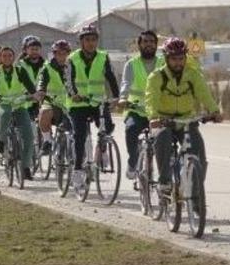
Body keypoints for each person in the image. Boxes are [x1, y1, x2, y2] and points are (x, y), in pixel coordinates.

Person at [145, 37, 222, 194]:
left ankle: (195, 195)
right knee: (163, 138)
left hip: (186, 120)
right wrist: (154, 117)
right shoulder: (156, 77)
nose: (178, 63)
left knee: (199, 154)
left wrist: (214, 111)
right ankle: (165, 181)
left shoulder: (192, 75)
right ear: (167, 59)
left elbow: (204, 94)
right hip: (163, 120)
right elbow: (150, 99)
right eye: (174, 59)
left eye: (181, 58)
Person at [65, 24, 120, 192]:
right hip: (78, 103)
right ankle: (77, 171)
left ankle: (101, 151)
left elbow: (111, 77)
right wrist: (73, 94)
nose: (91, 43)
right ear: (81, 41)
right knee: (80, 136)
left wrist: (117, 97)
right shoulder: (72, 58)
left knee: (107, 127)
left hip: (97, 102)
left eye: (94, 40)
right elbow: (68, 80)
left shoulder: (103, 57)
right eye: (87, 40)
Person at [0, 46, 39, 179]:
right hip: (3, 104)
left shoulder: (20, 71)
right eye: (4, 56)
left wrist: (35, 95)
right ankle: (2, 141)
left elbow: (31, 88)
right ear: (0, 58)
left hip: (19, 105)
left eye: (10, 56)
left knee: (29, 136)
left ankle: (26, 166)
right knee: (5, 113)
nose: (7, 58)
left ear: (14, 57)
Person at [117, 30, 163, 181]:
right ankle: (132, 162)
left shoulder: (163, 62)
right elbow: (126, 83)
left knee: (163, 138)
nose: (148, 44)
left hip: (157, 110)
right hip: (136, 110)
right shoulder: (132, 64)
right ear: (139, 45)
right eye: (145, 42)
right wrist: (123, 98)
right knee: (131, 130)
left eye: (151, 42)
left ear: (156, 45)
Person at [36, 39, 72, 157]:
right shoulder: (48, 67)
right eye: (58, 53)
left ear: (68, 53)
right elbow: (42, 80)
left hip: (70, 103)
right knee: (45, 113)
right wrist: (41, 90)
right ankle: (47, 141)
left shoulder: (74, 66)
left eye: (64, 53)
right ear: (54, 54)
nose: (61, 56)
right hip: (52, 102)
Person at [17, 35, 46, 122]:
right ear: (26, 49)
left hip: (41, 99)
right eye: (31, 49)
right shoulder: (19, 64)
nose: (34, 51)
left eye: (36, 49)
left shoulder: (46, 64)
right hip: (25, 100)